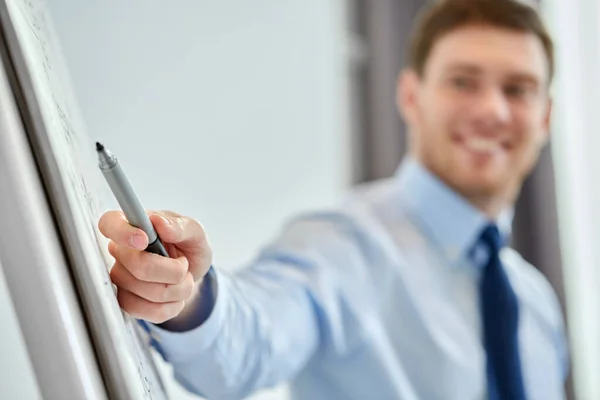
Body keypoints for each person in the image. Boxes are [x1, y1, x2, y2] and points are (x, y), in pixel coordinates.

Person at [98, 0, 569, 399]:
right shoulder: (340, 247)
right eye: (463, 81)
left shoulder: (539, 309)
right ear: (410, 96)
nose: (492, 109)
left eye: (518, 89)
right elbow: (249, 342)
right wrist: (187, 295)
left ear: (545, 118)